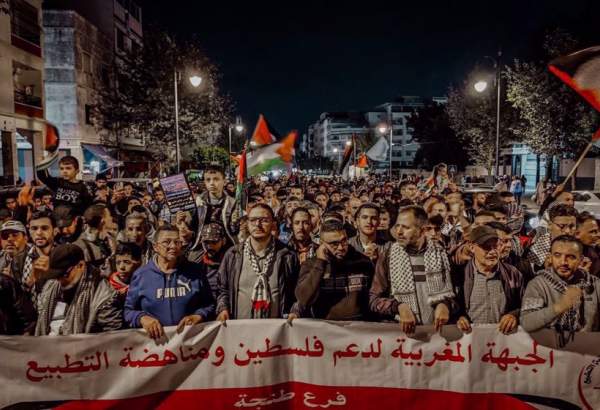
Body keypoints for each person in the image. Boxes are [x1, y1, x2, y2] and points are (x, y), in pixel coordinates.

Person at [369, 206, 455, 333]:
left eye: (406, 227)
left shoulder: (442, 255)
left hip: (438, 337)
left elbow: (457, 297)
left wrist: (446, 305)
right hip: (402, 337)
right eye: (397, 226)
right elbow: (374, 300)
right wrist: (398, 307)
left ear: (422, 230)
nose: (398, 231)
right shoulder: (388, 255)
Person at [124, 225, 215, 340]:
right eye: (167, 242)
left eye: (177, 242)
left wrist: (198, 316)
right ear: (155, 247)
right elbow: (128, 311)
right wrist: (142, 318)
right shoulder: (141, 275)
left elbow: (209, 305)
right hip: (154, 347)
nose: (173, 246)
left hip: (190, 345)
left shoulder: (195, 271)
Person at [216, 203, 300, 321]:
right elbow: (222, 289)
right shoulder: (233, 255)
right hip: (240, 330)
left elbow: (297, 292)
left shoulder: (288, 256)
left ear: (273, 223)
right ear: (247, 223)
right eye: (253, 220)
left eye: (264, 220)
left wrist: (294, 311)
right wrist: (223, 308)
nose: (258, 224)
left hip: (276, 331)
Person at [520, 235, 600, 337]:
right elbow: (527, 322)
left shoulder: (594, 284)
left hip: (585, 348)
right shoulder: (538, 284)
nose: (563, 262)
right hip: (551, 350)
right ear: (550, 258)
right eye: (557, 255)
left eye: (571, 257)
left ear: (580, 260)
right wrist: (559, 306)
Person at [35, 244, 123, 335]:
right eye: (56, 275)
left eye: (65, 275)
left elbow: (113, 337)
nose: (59, 280)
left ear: (80, 265)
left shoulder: (103, 294)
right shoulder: (50, 286)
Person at [295, 219, 374, 320]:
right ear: (322, 244)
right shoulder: (311, 265)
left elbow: (374, 297)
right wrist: (320, 264)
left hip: (358, 328)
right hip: (326, 328)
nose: (341, 247)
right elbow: (303, 298)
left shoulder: (363, 262)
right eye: (334, 244)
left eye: (344, 241)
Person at [454, 226, 524, 335]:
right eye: (486, 247)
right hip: (471, 342)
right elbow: (453, 308)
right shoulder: (460, 275)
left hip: (503, 342)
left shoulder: (512, 273)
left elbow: (526, 305)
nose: (492, 252)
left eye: (495, 246)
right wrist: (459, 318)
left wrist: (514, 315)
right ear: (472, 247)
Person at [191, 165, 237, 249]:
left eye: (216, 179)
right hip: (201, 245)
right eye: (208, 180)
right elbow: (192, 227)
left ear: (224, 181)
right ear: (204, 182)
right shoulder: (196, 202)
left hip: (226, 246)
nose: (212, 183)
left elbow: (234, 230)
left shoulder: (232, 203)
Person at [526, 204, 578, 272]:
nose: (567, 231)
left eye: (571, 226)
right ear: (550, 225)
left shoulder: (582, 248)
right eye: (561, 226)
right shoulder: (534, 252)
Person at [21, 210, 57, 293]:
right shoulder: (19, 260)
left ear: (55, 231)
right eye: (34, 228)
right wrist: (32, 279)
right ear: (29, 231)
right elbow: (16, 297)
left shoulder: (65, 257)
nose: (39, 233)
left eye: (44, 228)